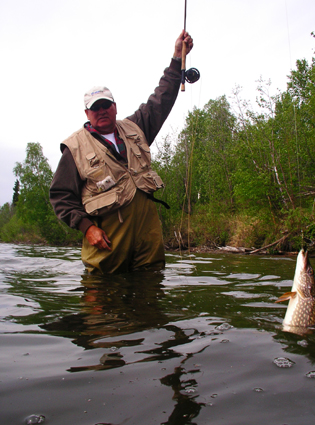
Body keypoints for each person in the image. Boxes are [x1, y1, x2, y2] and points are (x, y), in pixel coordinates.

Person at [50, 30, 194, 274]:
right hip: (107, 248)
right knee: (103, 303)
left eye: (106, 105)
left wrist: (177, 59)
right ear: (87, 113)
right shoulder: (74, 147)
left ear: (115, 107)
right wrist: (87, 228)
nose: (102, 110)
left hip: (146, 242)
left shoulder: (136, 127)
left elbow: (162, 98)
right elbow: (61, 197)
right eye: (95, 108)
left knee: (150, 296)